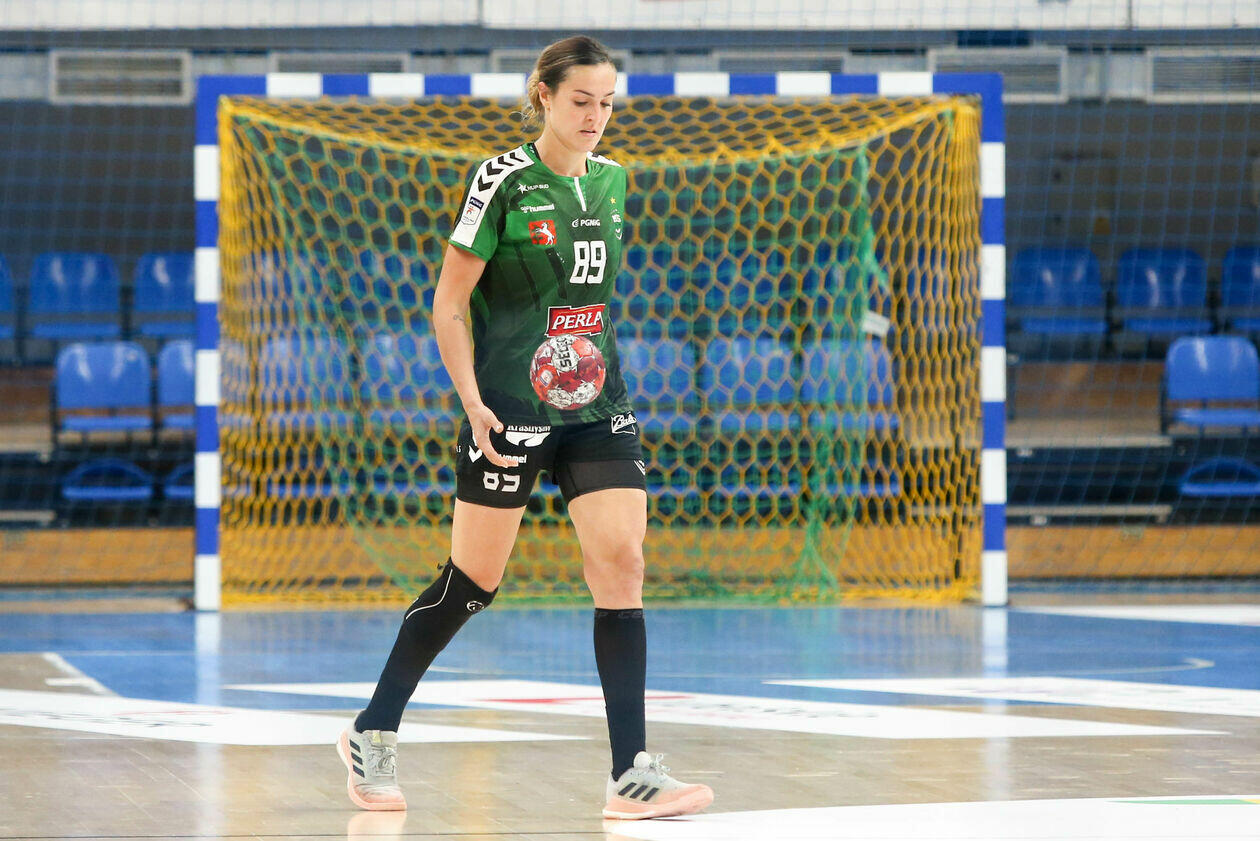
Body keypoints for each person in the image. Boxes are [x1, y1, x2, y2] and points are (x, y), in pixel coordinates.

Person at [336, 35, 714, 822]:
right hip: (508, 407)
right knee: (471, 585)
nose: (596, 116)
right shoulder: (501, 181)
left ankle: (630, 773)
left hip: (597, 405)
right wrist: (473, 401)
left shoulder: (613, 180)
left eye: (607, 103)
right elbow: (448, 304)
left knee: (624, 564)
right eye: (581, 100)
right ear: (543, 95)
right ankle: (372, 727)